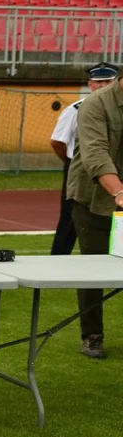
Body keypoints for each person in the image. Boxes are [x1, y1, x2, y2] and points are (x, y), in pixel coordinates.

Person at [66, 63, 123, 360]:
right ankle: (92, 335)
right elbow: (96, 155)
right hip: (93, 199)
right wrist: (120, 192)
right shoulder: (95, 105)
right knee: (94, 270)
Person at [49, 63, 117, 257]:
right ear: (90, 84)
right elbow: (57, 142)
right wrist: (71, 163)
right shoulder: (75, 109)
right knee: (70, 219)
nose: (103, 85)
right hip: (80, 170)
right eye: (98, 82)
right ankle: (58, 260)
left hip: (111, 169)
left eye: (108, 81)